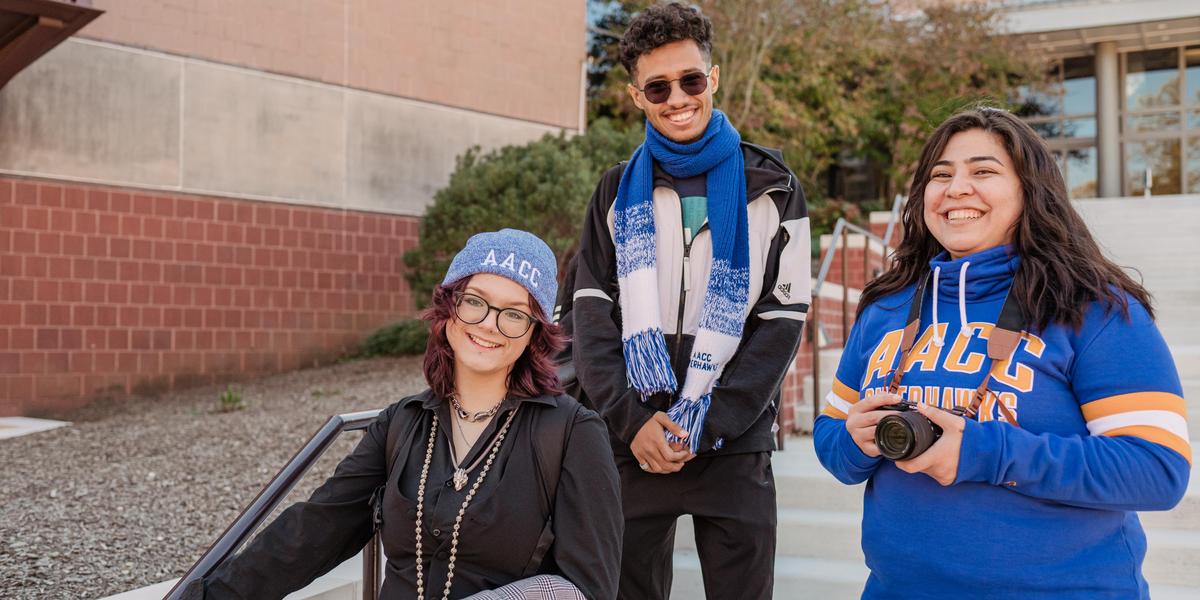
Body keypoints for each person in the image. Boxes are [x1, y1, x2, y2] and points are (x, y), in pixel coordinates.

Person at [813, 107, 1191, 598]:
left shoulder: (1092, 308)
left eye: (984, 171)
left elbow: (1156, 468)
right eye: (940, 175)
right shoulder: (887, 307)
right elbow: (830, 440)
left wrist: (983, 452)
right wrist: (854, 439)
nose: (956, 188)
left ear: (1031, 191)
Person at [186, 229, 623, 600]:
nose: (489, 324)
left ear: (533, 335)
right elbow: (317, 529)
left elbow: (588, 587)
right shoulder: (402, 423)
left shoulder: (572, 433)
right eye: (475, 302)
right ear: (449, 309)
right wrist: (211, 594)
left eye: (513, 314)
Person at [556, 3, 810, 598]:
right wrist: (632, 421)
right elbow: (590, 318)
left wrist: (711, 423)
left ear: (712, 79)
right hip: (631, 441)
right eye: (658, 86)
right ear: (636, 95)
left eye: (690, 80)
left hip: (732, 441)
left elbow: (781, 321)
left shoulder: (774, 186)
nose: (678, 98)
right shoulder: (615, 191)